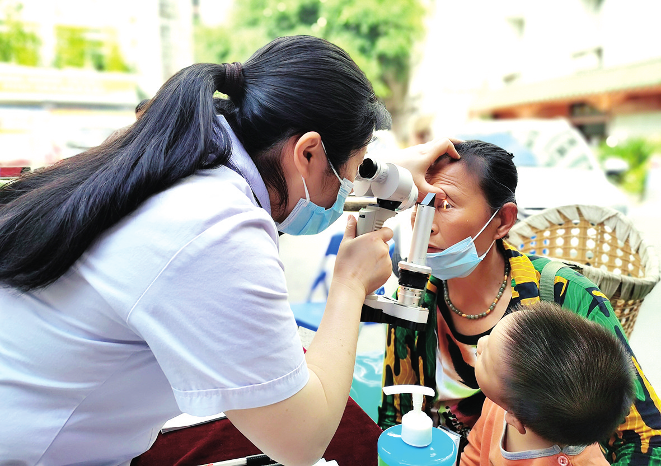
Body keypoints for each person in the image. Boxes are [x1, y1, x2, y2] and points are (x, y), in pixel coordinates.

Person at [0, 35, 459, 466]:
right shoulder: (216, 227)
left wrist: (387, 170)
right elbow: (300, 440)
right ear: (308, 152)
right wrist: (349, 285)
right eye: (355, 169)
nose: (348, 189)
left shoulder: (174, 154)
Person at [378, 140, 661, 465]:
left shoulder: (563, 294)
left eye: (443, 205)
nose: (423, 222)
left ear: (502, 221)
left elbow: (644, 435)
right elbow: (394, 414)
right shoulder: (413, 298)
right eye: (419, 204)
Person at [461, 302, 635, 466]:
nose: (481, 343)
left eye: (486, 359)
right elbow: (476, 449)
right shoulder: (505, 400)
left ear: (516, 418)